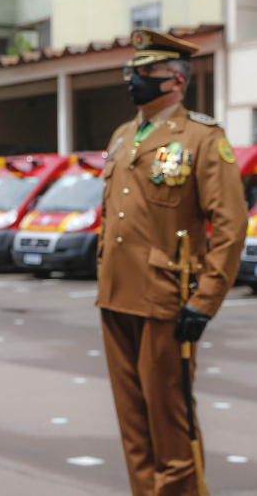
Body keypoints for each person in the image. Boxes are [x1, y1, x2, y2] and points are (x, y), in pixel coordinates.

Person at [96, 29, 247, 495]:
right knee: (133, 424)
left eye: (146, 72)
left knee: (170, 420)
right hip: (115, 294)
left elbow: (230, 225)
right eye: (132, 71)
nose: (134, 79)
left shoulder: (202, 137)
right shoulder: (124, 136)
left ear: (175, 81)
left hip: (167, 299)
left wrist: (205, 301)